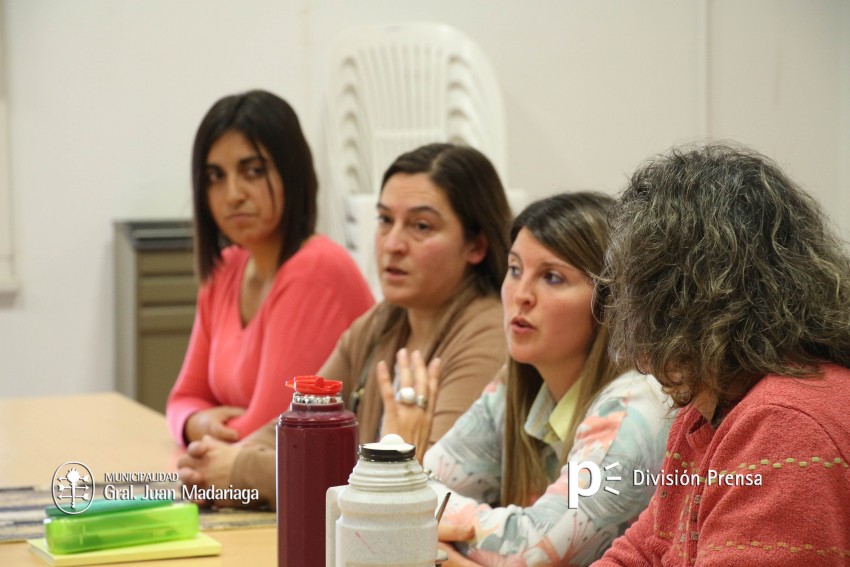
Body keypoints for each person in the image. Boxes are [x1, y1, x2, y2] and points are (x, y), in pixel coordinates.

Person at [176, 142, 513, 508]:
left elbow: (419, 484)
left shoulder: (489, 335)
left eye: (420, 226)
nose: (393, 244)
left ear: (476, 245)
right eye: (385, 220)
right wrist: (216, 462)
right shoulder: (382, 321)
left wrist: (243, 471)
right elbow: (294, 427)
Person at [593, 143, 850, 566]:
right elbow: (640, 552)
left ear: (676, 297)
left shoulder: (783, 423)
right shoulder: (712, 407)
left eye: (629, 285)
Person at [383, 192, 673, 566]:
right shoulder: (515, 388)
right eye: (515, 269)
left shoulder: (635, 410)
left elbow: (534, 550)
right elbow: (397, 497)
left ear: (611, 300)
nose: (520, 295)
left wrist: (424, 526)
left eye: (552, 277)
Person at [166, 90, 374, 445]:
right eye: (215, 176)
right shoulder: (227, 268)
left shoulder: (315, 270)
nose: (232, 194)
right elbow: (183, 400)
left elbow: (271, 433)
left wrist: (207, 432)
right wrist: (196, 423)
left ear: (291, 174)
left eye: (253, 171)